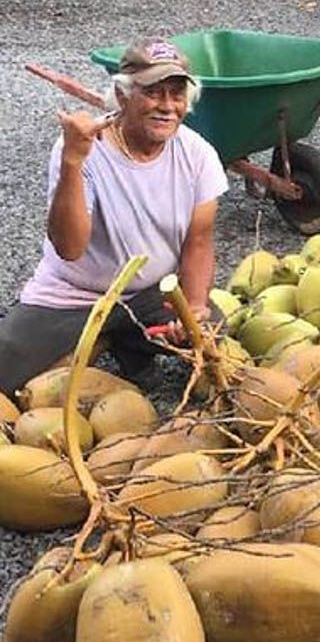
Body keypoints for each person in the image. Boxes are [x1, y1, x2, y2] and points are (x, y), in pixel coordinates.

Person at [0, 39, 229, 397]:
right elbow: (69, 247)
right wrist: (73, 162)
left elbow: (199, 241)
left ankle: (127, 341)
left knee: (216, 338)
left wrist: (195, 307)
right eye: (153, 93)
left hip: (149, 293)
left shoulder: (198, 155)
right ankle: (111, 337)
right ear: (123, 96)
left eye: (177, 94)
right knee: (4, 368)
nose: (167, 106)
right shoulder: (85, 147)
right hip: (73, 296)